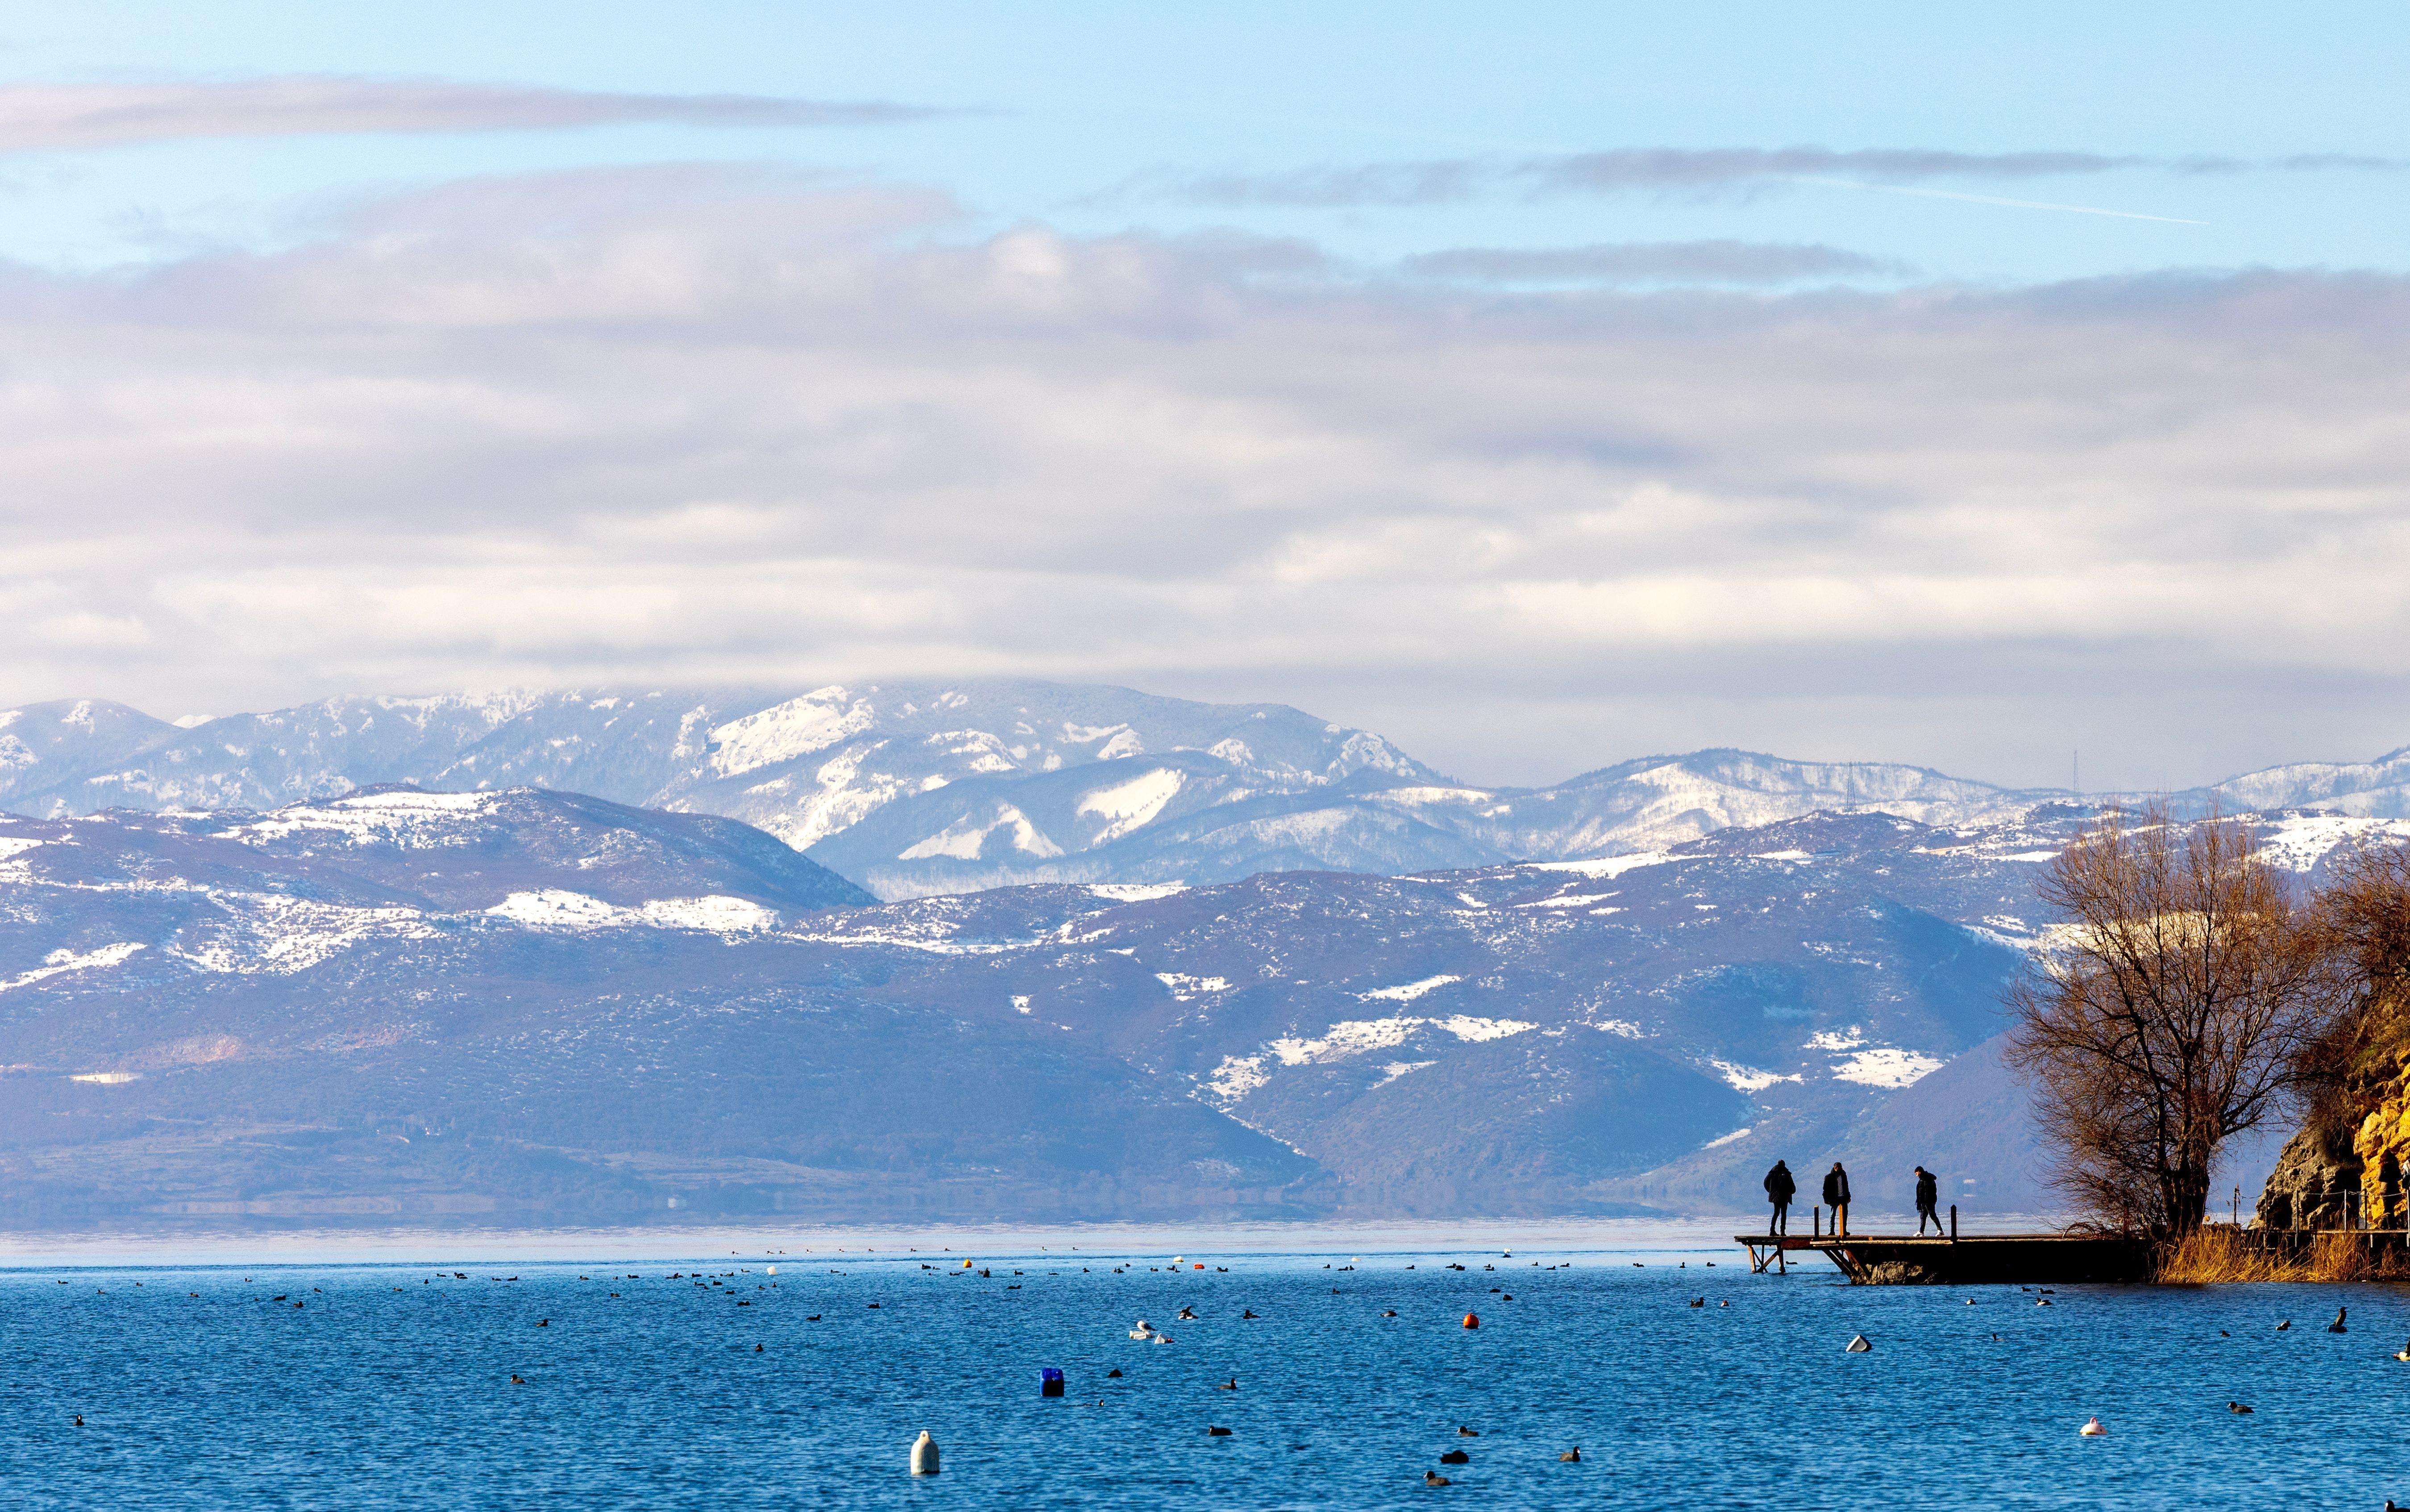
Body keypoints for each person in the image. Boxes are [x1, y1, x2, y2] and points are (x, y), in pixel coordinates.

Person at [1763, 1160, 1796, 1236]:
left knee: (1776, 1213)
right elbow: (1792, 1185)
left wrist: (1771, 1192)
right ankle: (1782, 1232)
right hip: (1784, 1197)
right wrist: (1791, 1191)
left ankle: (1772, 1230)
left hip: (1776, 1197)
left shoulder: (1772, 1173)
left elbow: (1766, 1183)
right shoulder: (1786, 1173)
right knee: (1783, 1214)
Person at [1823, 1162, 1852, 1236]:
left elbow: (1846, 1186)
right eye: (1840, 1168)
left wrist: (1848, 1196)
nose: (1841, 1169)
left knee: (1845, 1215)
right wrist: (1826, 1199)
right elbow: (1825, 1190)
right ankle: (1832, 1231)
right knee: (1832, 1215)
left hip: (1843, 1198)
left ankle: (1844, 1231)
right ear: (1836, 1168)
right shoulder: (1829, 1177)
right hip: (1834, 1198)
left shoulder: (1844, 1175)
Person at [1915, 1165, 1943, 1235]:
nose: (1916, 1176)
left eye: (1916, 1174)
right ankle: (1921, 1232)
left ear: (1920, 1172)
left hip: (1929, 1202)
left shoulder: (1928, 1179)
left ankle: (1940, 1231)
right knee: (1923, 1217)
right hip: (1924, 1202)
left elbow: (1930, 1191)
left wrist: (1928, 1201)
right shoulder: (1922, 1180)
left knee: (1932, 1215)